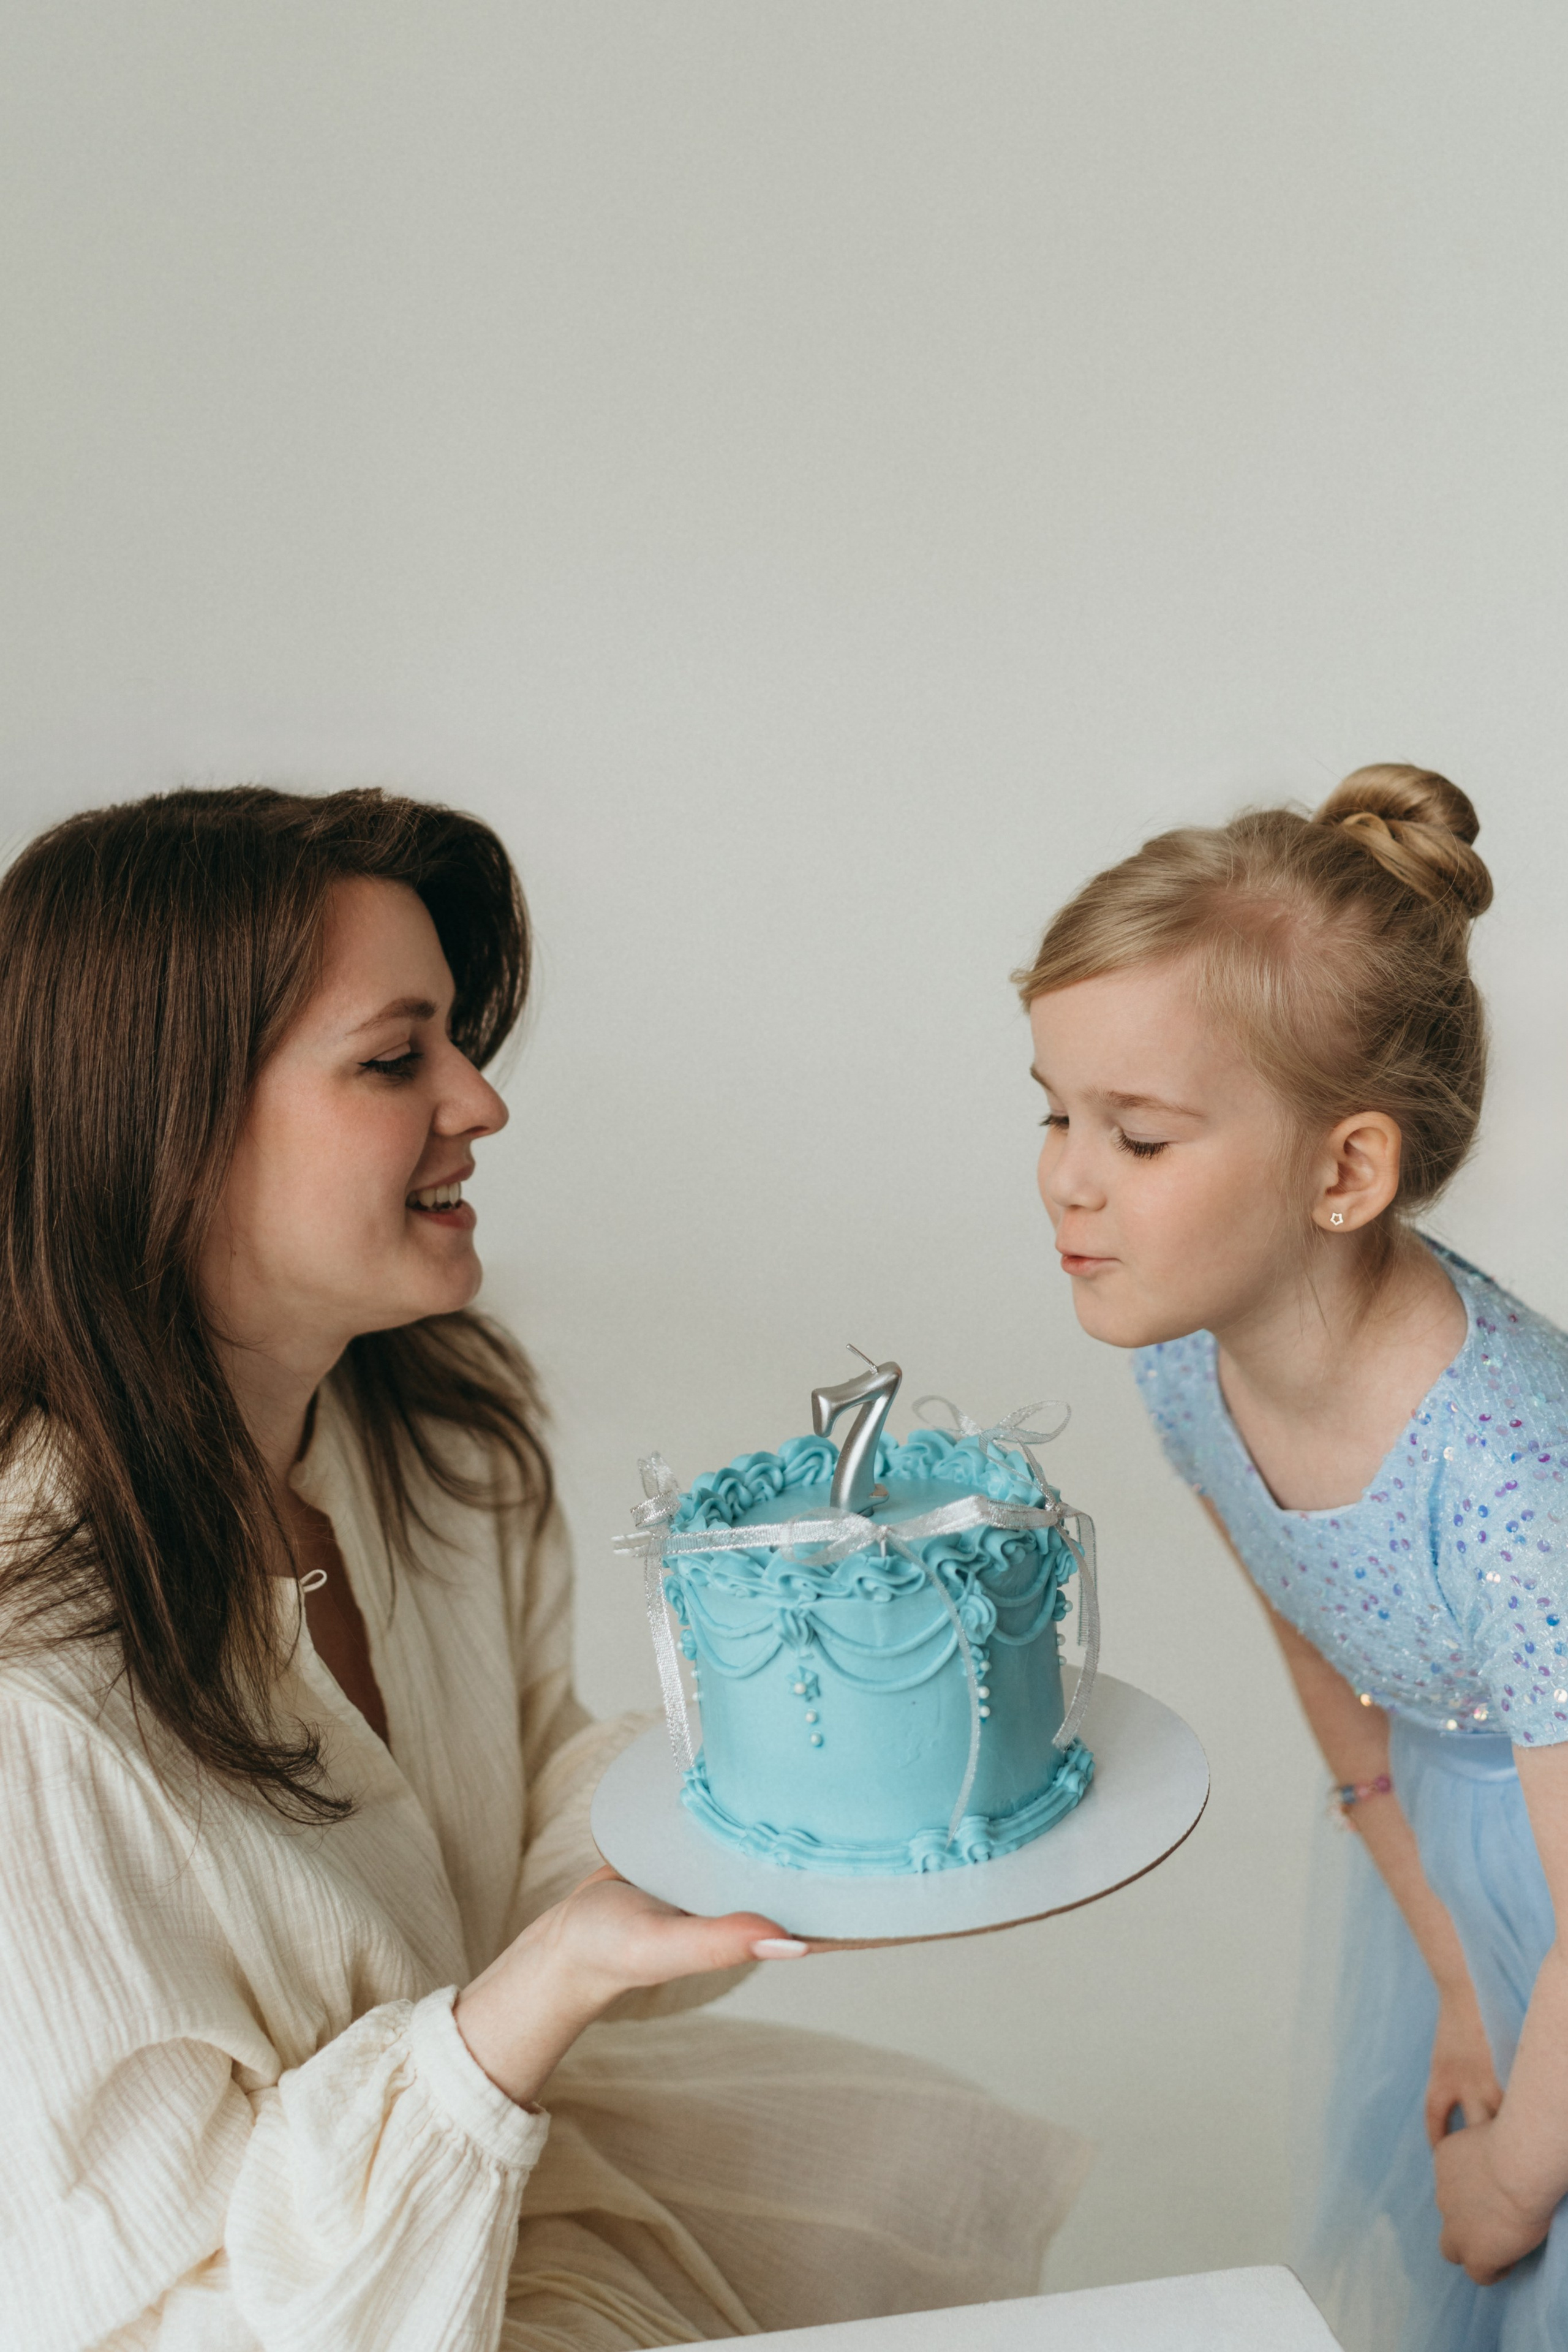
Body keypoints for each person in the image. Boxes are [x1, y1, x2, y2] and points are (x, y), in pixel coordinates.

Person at [0, 786, 1087, 2352]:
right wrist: (533, 1999)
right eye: (396, 1060)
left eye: (456, 1039)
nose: (480, 1101)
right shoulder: (34, 1703)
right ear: (165, 1126)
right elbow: (168, 2306)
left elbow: (508, 1829)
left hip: (490, 2205)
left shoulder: (434, 1442)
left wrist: (824, 1747)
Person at [1015, 763, 1568, 2351]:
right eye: (1054, 1112)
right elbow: (1338, 1689)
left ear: (1344, 1173)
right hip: (1463, 1862)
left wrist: (1514, 2179)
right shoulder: (1187, 1366)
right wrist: (1454, 1979)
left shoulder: (1509, 1480)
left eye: (1136, 1136)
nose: (1066, 1176)